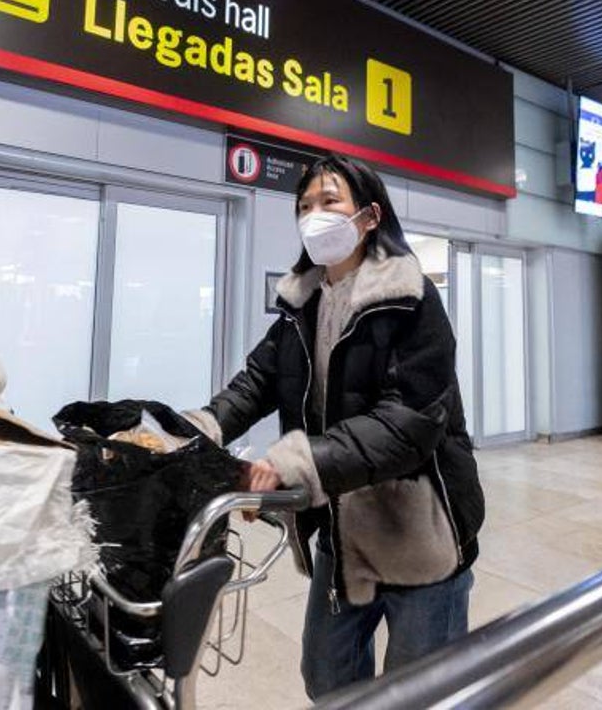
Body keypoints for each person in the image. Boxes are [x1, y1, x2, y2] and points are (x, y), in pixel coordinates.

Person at [183, 155, 484, 699]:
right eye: (304, 206)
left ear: (368, 217)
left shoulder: (412, 300)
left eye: (329, 203)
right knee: (327, 679)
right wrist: (199, 427)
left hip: (420, 536)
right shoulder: (302, 303)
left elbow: (407, 424)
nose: (313, 217)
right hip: (342, 534)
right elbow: (256, 382)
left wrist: (293, 461)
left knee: (418, 692)